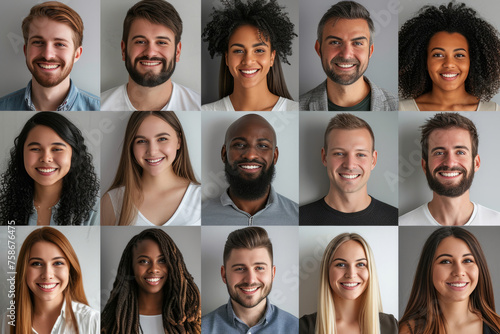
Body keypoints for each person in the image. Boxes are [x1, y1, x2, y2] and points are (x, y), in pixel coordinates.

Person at [399, 113, 500, 226]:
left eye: (460, 152)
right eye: (439, 153)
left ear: (476, 163)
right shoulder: (403, 223)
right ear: (424, 165)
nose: (450, 162)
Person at [101, 111, 200, 226]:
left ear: (179, 141)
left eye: (162, 139)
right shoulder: (112, 201)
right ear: (131, 146)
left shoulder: (199, 197)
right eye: (141, 141)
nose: (152, 151)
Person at [0, 112, 99, 226]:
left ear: (73, 154)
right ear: (22, 154)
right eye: (35, 149)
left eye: (57, 149)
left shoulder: (96, 210)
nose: (46, 159)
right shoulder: (5, 207)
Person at [101, 0, 200, 111]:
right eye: (140, 42)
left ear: (177, 52)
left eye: (162, 42)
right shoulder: (100, 105)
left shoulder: (197, 106)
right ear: (123, 49)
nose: (150, 53)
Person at [399, 2, 500, 111]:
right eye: (438, 55)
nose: (449, 64)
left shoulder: (492, 110)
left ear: (472, 61)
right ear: (425, 61)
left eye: (459, 55)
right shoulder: (402, 108)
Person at [300, 113, 397, 225]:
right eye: (339, 153)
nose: (350, 165)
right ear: (324, 157)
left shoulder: (394, 218)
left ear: (373, 160)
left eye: (360, 155)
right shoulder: (300, 217)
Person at [0, 1, 99, 111]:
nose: (47, 55)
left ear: (77, 54)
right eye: (38, 42)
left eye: (60, 44)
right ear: (25, 50)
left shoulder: (98, 108)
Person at [300, 1, 397, 111]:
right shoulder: (299, 107)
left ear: (370, 51)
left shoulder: (396, 106)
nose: (346, 55)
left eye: (357, 43)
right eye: (335, 42)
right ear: (318, 49)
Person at [201, 0, 298, 111]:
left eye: (259, 50)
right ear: (227, 58)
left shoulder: (295, 110)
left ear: (272, 57)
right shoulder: (206, 110)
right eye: (238, 51)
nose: (248, 61)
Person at [399, 227, 500, 334]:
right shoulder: (407, 330)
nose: (459, 271)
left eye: (467, 260)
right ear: (428, 269)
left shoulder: (497, 327)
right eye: (446, 261)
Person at [202, 114, 298, 225]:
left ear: (275, 156)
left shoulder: (297, 216)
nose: (251, 155)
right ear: (224, 154)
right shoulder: (201, 215)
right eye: (239, 145)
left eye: (262, 146)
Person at [101, 228, 201, 333]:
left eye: (162, 260)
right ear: (131, 266)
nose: (154, 269)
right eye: (144, 261)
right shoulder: (111, 323)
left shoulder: (193, 320)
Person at [1, 227, 99, 334]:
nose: (47, 275)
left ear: (70, 269)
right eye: (37, 264)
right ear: (23, 270)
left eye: (57, 263)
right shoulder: (6, 322)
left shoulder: (93, 322)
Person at [202, 226, 298, 332]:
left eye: (260, 268)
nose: (250, 280)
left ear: (272, 273)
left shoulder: (296, 328)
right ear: (224, 274)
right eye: (240, 268)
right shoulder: (201, 329)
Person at [299, 233, 397, 334]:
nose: (351, 274)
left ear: (370, 271)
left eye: (360, 264)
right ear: (327, 271)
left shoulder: (392, 326)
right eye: (341, 264)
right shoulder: (303, 327)